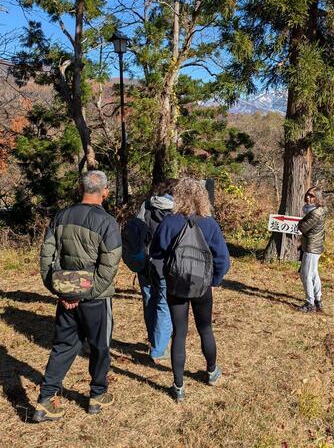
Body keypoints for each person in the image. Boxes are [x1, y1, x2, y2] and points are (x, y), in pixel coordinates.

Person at [33, 171, 122, 422]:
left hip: (66, 297)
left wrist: (60, 290)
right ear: (105, 192)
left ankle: (45, 400)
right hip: (96, 299)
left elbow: (46, 258)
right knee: (100, 347)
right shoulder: (107, 222)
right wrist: (85, 294)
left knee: (63, 346)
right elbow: (109, 267)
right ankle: (97, 395)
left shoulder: (61, 216)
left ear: (79, 187)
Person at [150, 178, 230, 402]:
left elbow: (156, 256)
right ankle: (212, 372)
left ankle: (178, 387)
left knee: (180, 333)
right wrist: (214, 281)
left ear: (178, 196)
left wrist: (165, 277)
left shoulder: (169, 222)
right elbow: (223, 259)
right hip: (202, 286)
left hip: (176, 286)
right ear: (202, 197)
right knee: (205, 329)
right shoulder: (209, 223)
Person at [130, 181, 176, 362]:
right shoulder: (177, 211)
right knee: (163, 305)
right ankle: (158, 350)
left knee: (149, 301)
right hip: (165, 265)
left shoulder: (146, 206)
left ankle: (154, 340)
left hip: (144, 263)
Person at [296, 186, 326, 313]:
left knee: (306, 274)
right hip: (315, 245)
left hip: (312, 247)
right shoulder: (317, 210)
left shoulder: (315, 213)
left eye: (312, 196)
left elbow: (302, 227)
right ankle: (318, 300)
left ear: (317, 198)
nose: (308, 197)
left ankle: (310, 303)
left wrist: (300, 222)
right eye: (308, 194)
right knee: (313, 273)